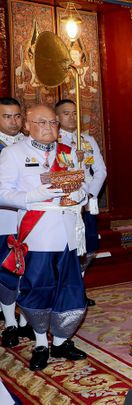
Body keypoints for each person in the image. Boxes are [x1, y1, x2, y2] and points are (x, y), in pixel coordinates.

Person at [0, 104, 87, 371]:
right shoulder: (14, 154)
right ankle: (40, 342)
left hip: (68, 234)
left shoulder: (69, 153)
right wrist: (32, 196)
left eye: (53, 123)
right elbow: (3, 193)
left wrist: (79, 195)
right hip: (37, 234)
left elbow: (82, 185)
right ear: (27, 125)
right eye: (42, 123)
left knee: (71, 289)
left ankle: (60, 341)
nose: (50, 128)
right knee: (38, 289)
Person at [56, 99, 107, 306]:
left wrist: (91, 195)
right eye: (66, 113)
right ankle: (64, 290)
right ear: (57, 118)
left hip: (86, 202)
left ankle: (79, 286)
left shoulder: (87, 140)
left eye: (74, 113)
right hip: (64, 203)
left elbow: (100, 171)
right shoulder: (53, 141)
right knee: (66, 247)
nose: (71, 117)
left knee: (89, 246)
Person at [0, 97, 33, 347]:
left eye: (17, 116)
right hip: (3, 218)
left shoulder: (30, 144)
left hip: (28, 220)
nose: (13, 121)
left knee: (28, 272)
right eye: (6, 116)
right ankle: (10, 323)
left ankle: (25, 322)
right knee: (6, 272)